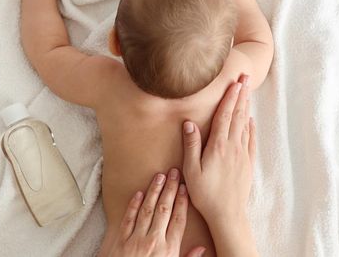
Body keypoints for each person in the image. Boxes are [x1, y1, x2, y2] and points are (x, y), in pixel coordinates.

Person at [9, 0, 273, 255]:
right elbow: (260, 42)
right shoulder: (235, 74)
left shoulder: (108, 85)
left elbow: (47, 52)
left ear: (115, 42)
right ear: (226, 43)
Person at [106, 78, 259, 257]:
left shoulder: (112, 84)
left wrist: (229, 214)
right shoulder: (229, 77)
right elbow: (262, 51)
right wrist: (231, 214)